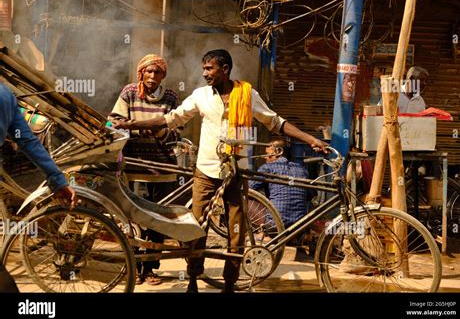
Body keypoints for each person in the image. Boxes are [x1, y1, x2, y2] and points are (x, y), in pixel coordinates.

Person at [113, 49, 328, 293]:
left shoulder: (247, 95)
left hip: (236, 172)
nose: (204, 73)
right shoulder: (200, 96)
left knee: (236, 231)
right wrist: (133, 124)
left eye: (209, 68)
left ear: (224, 69)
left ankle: (229, 283)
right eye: (203, 68)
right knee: (196, 227)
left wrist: (310, 138)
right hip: (205, 171)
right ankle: (193, 278)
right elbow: (171, 119)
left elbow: (276, 122)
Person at [108, 54, 180, 286]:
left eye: (157, 72)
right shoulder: (129, 92)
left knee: (157, 220)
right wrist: (139, 130)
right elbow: (114, 122)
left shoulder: (170, 97)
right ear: (141, 73)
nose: (152, 76)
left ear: (163, 76)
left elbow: (177, 129)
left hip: (164, 168)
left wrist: (160, 132)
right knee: (136, 220)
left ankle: (150, 268)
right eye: (148, 72)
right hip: (135, 167)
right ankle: (135, 267)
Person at [0, 83, 77, 292]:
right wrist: (57, 178)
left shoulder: (5, 96)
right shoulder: (6, 95)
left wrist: (57, 178)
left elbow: (27, 140)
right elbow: (28, 141)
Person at [249, 139, 310, 229]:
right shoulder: (301, 169)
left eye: (267, 154)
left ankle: (263, 232)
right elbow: (310, 195)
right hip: (300, 226)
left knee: (244, 194)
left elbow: (250, 187)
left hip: (276, 226)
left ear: (277, 152)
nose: (265, 157)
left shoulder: (268, 168)